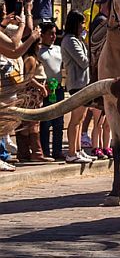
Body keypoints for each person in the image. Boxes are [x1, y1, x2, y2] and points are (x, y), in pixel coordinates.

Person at [61, 10, 95, 163]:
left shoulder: (77, 39)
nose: (83, 26)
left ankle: (79, 150)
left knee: (80, 120)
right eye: (81, 23)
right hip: (77, 84)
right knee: (75, 120)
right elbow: (83, 61)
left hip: (84, 83)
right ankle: (72, 152)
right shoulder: (70, 40)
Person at [37, 22, 64, 160]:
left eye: (55, 33)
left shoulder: (58, 49)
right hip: (46, 90)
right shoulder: (38, 51)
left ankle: (57, 150)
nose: (53, 36)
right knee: (46, 122)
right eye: (50, 33)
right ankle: (45, 150)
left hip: (58, 89)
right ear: (42, 35)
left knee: (59, 122)